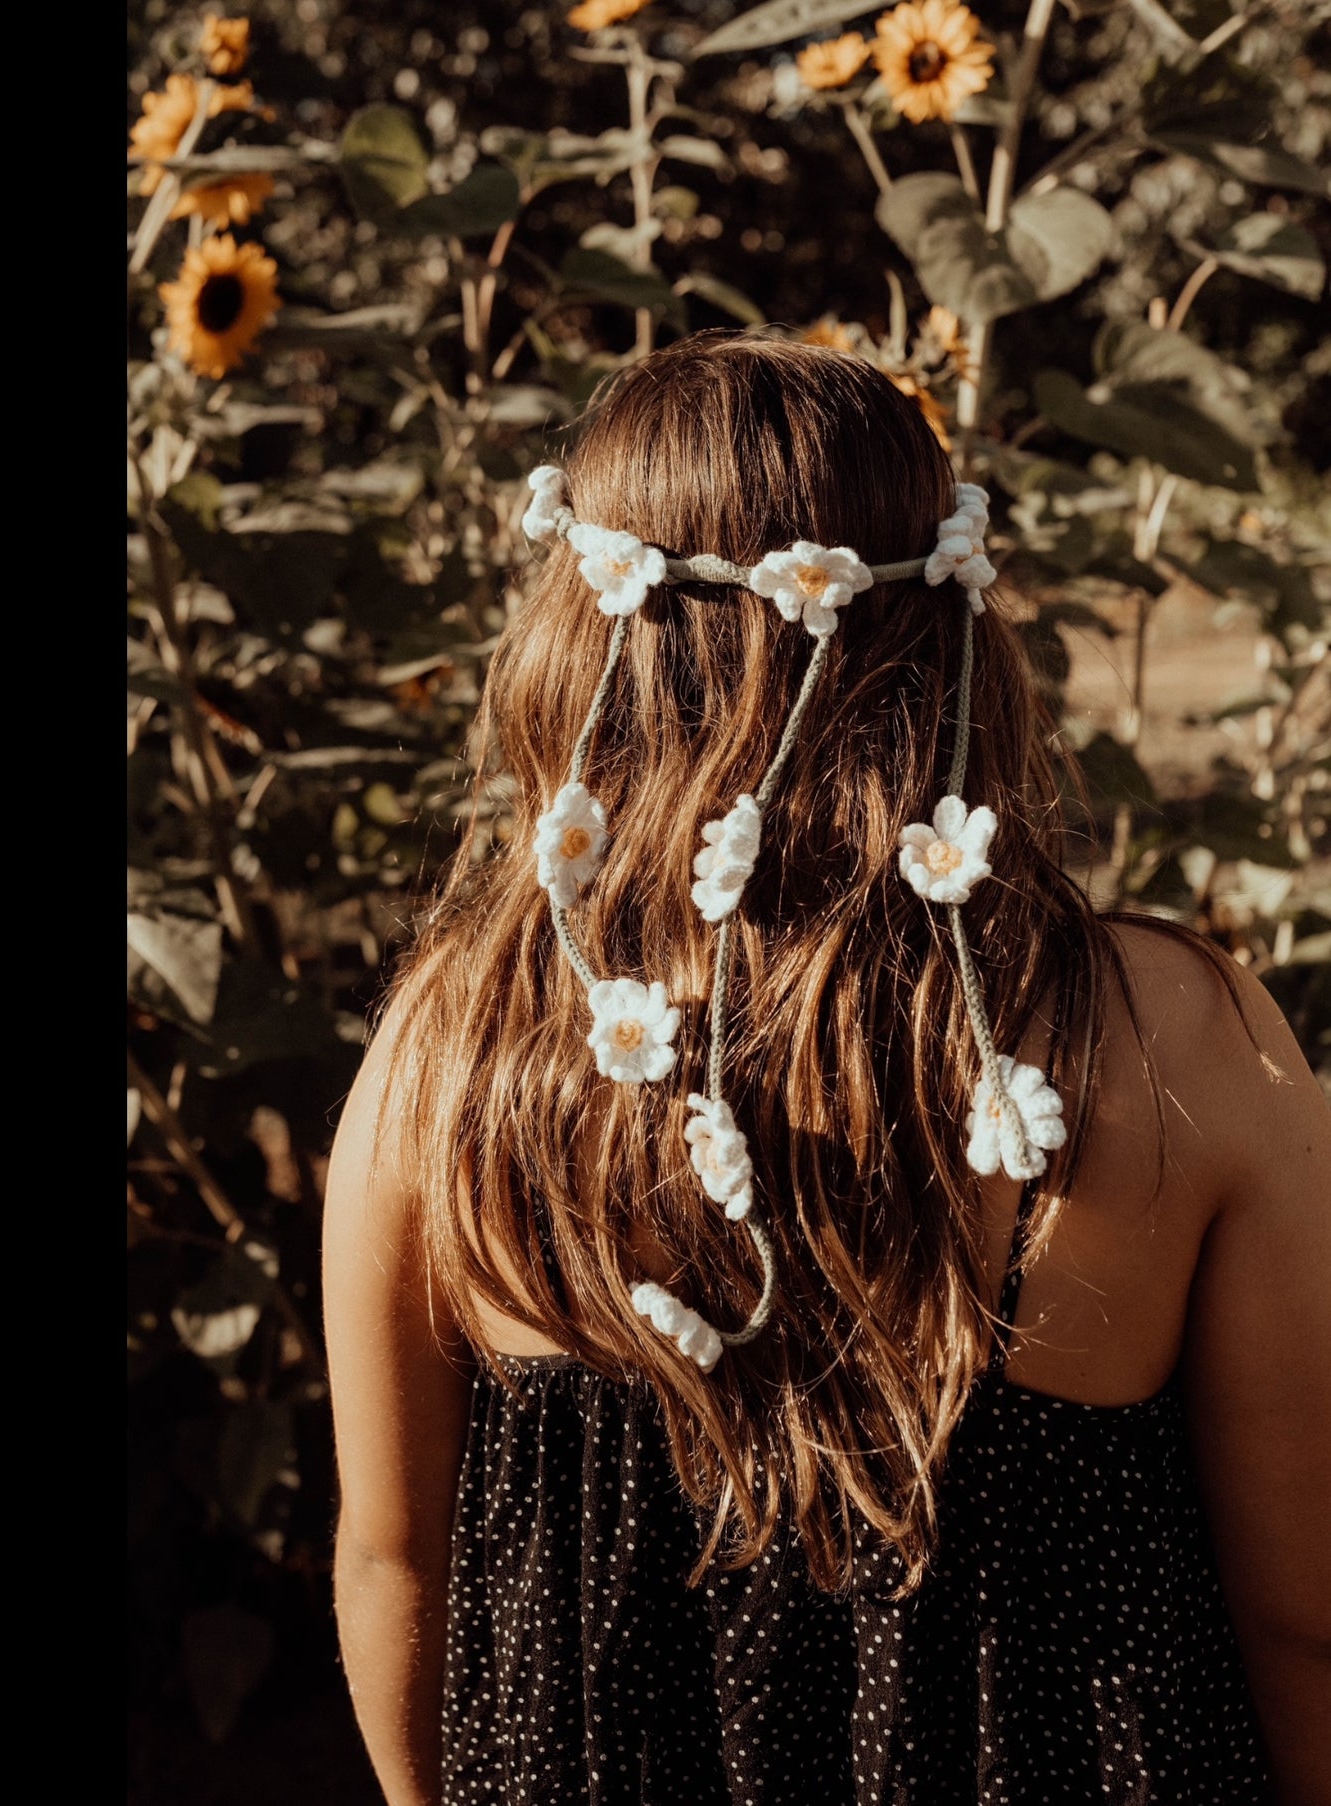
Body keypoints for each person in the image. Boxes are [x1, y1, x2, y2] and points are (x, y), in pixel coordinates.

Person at [323, 333, 1330, 1805]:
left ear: (584, 631)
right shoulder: (1174, 1038)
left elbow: (388, 1558)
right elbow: (1303, 1613)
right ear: (951, 628)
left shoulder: (455, 1047)